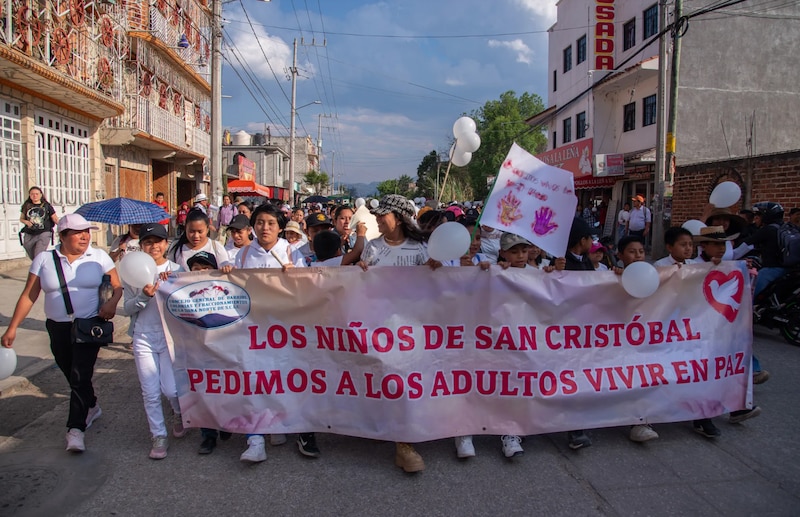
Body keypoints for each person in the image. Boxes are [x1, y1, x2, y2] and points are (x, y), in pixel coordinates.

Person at [2, 213, 122, 452]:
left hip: (89, 325)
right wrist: (12, 327)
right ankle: (92, 405)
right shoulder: (45, 260)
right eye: (78, 233)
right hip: (58, 326)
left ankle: (75, 429)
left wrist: (111, 304)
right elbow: (29, 294)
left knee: (80, 374)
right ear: (63, 236)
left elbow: (116, 286)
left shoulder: (98, 256)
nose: (85, 237)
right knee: (70, 372)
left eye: (87, 232)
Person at [358, 194, 433, 473]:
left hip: (412, 329)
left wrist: (434, 270)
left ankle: (404, 444)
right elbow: (362, 288)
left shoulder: (421, 249)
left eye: (383, 215)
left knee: (404, 382)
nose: (378, 220)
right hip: (379, 326)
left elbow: (437, 288)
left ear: (399, 219)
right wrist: (360, 272)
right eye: (377, 215)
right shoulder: (373, 248)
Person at [121, 224, 185, 459]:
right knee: (149, 391)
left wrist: (173, 283)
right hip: (143, 337)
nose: (154, 246)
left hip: (170, 337)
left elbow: (188, 302)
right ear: (142, 246)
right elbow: (127, 308)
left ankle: (178, 412)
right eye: (148, 242)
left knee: (171, 388)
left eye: (158, 241)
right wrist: (142, 297)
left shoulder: (177, 269)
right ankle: (158, 435)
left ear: (166, 244)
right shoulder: (131, 270)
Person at [694, 226, 762, 425]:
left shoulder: (728, 267)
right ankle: (702, 415)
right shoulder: (692, 267)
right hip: (696, 330)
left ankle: (737, 407)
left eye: (723, 244)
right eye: (715, 244)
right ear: (703, 246)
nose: (721, 248)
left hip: (720, 329)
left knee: (726, 366)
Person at [186, 251, 234, 455]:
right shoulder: (185, 289)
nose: (201, 272)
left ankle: (225, 423)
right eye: (196, 269)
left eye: (206, 268)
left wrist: (230, 274)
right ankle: (208, 435)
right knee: (204, 390)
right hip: (197, 347)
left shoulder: (223, 288)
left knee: (225, 387)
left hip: (223, 345)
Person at [168, 209, 232, 273]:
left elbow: (224, 270)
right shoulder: (176, 248)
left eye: (200, 232)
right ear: (185, 229)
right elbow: (169, 271)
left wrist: (227, 268)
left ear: (207, 229)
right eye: (192, 231)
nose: (196, 236)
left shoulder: (216, 247)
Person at [19, 186, 59, 260]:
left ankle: (37, 267)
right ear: (30, 195)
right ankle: (39, 265)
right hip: (30, 232)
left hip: (44, 232)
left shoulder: (47, 206)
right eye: (32, 194)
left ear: (41, 195)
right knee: (28, 248)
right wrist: (27, 222)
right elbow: (21, 219)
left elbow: (55, 218)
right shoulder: (26, 205)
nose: (35, 196)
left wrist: (63, 227)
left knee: (38, 254)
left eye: (37, 194)